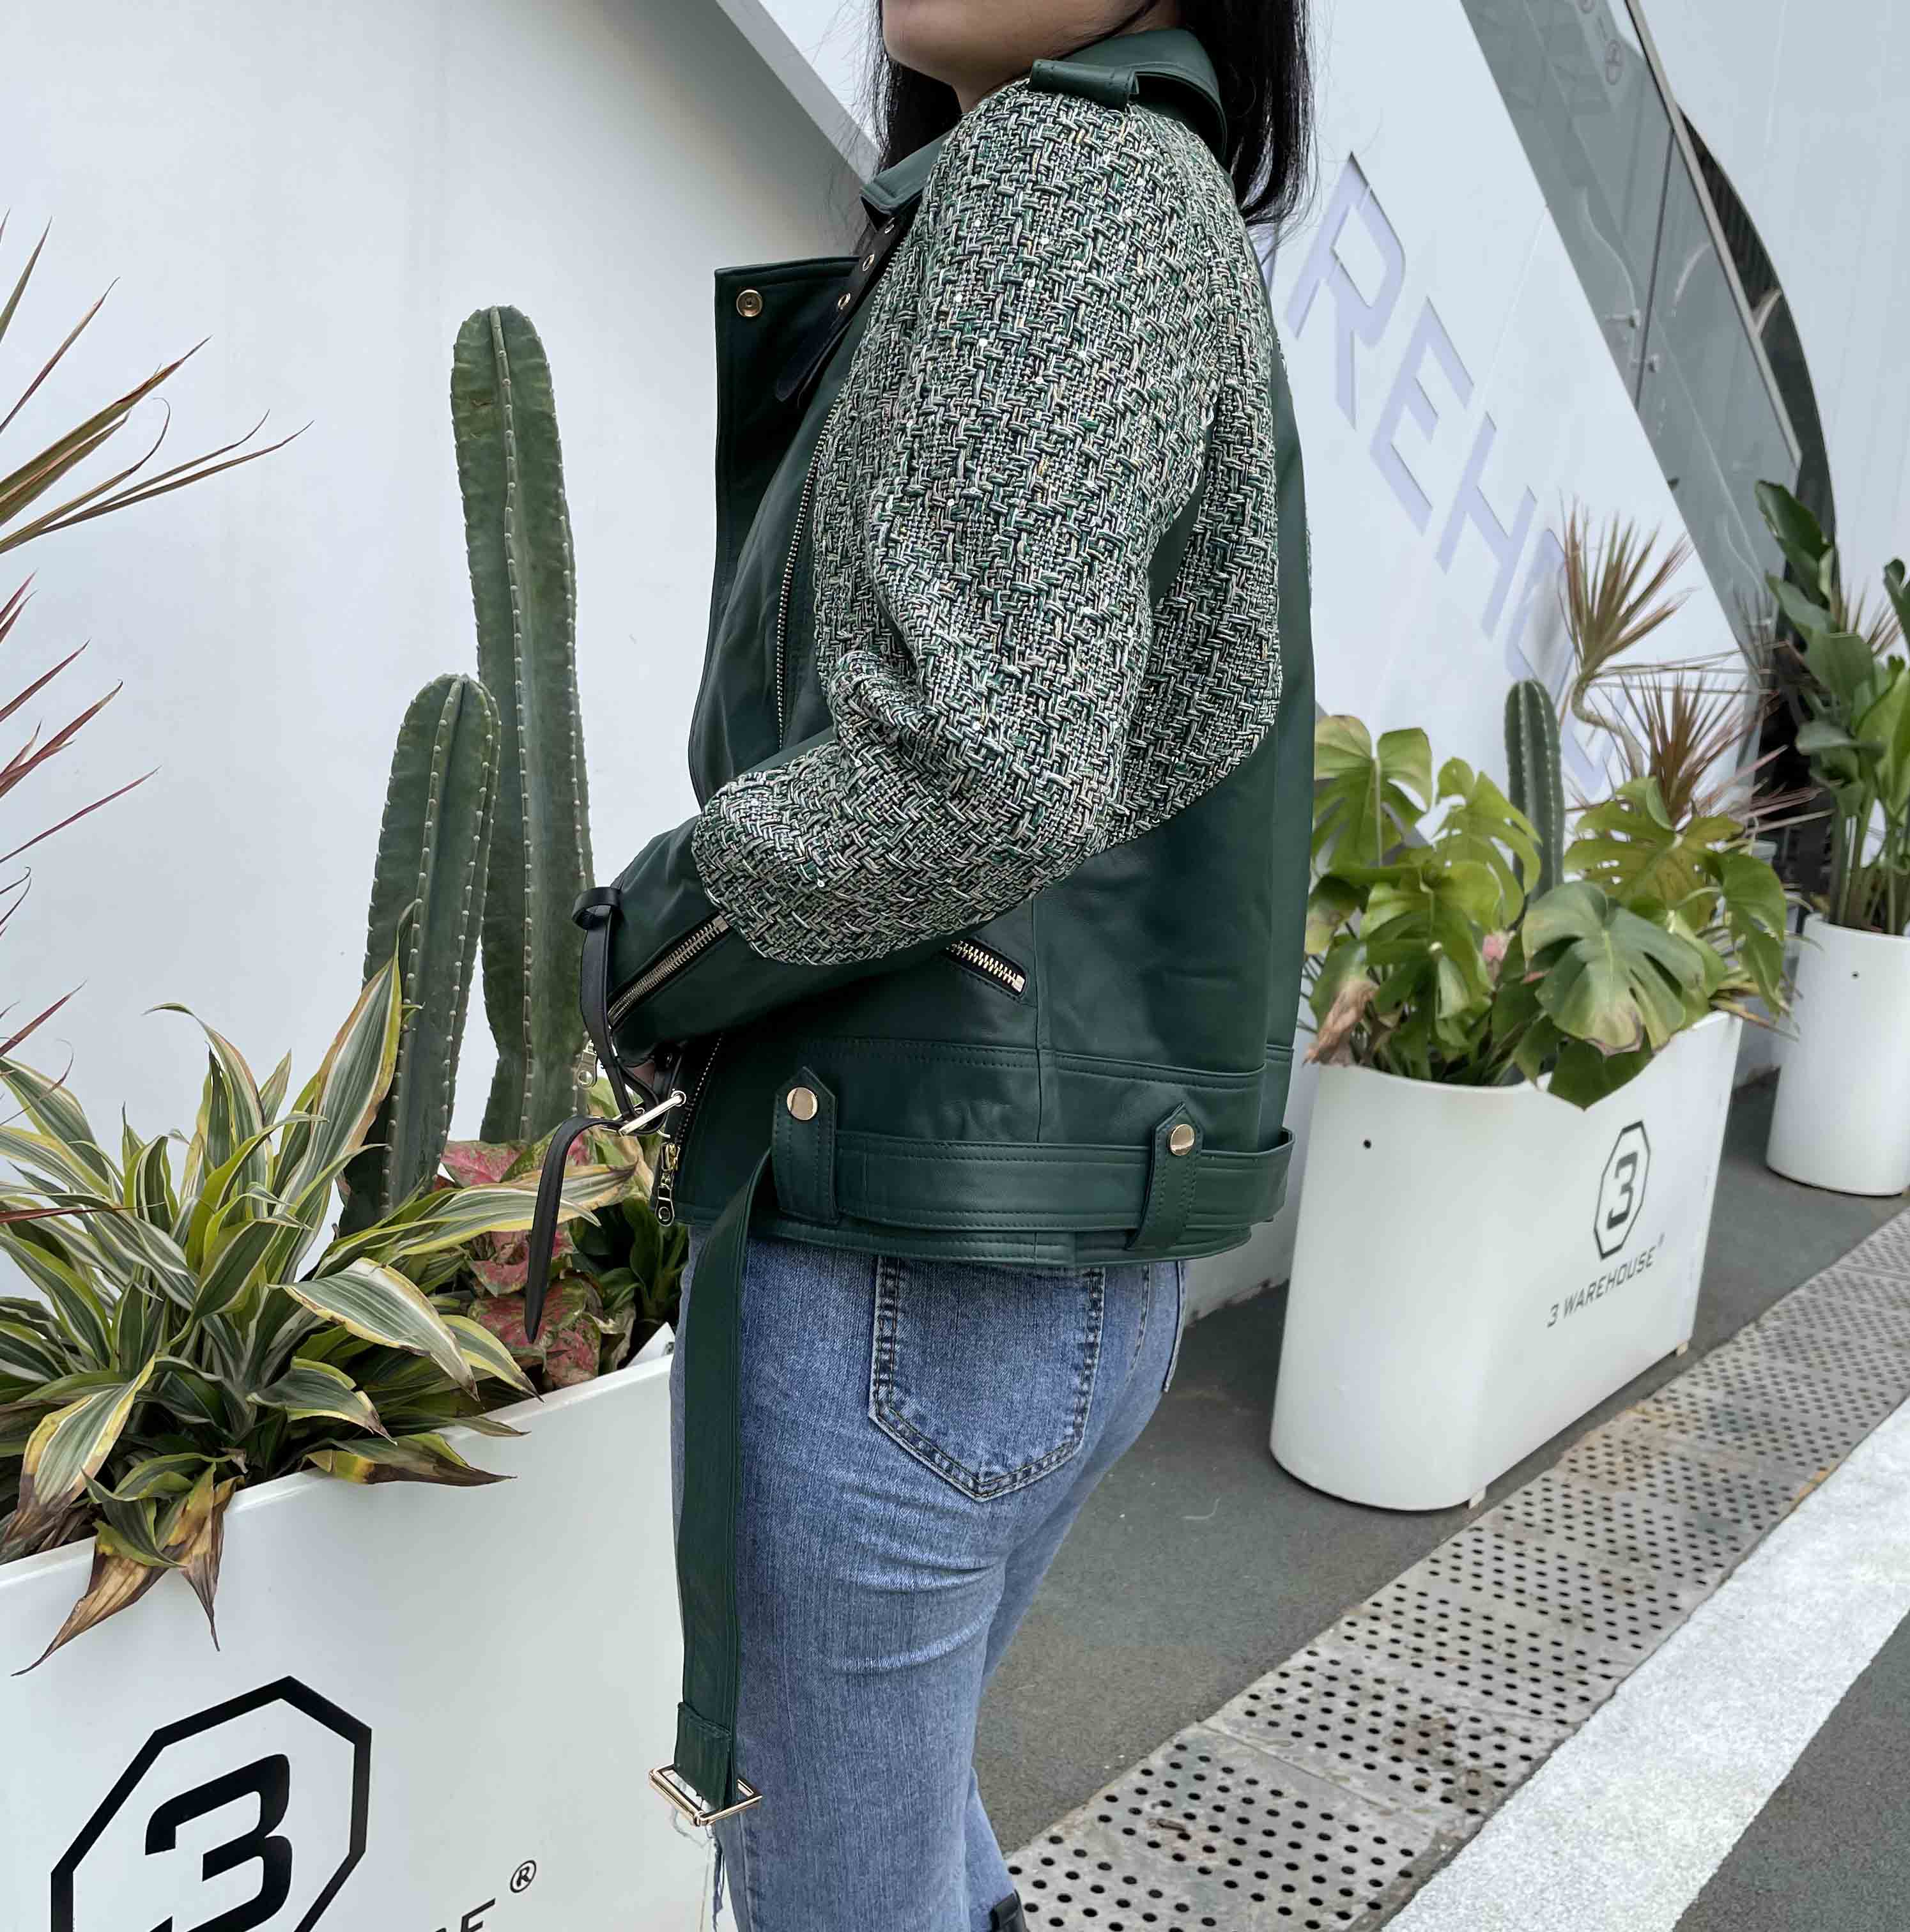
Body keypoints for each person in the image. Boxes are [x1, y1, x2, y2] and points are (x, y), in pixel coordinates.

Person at [526, 3, 1315, 1924]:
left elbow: (981, 767)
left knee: (831, 1885)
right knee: (900, 1837)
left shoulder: (1070, 176)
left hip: (905, 1268)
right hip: (1011, 1256)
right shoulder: (1126, 186)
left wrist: (643, 945)